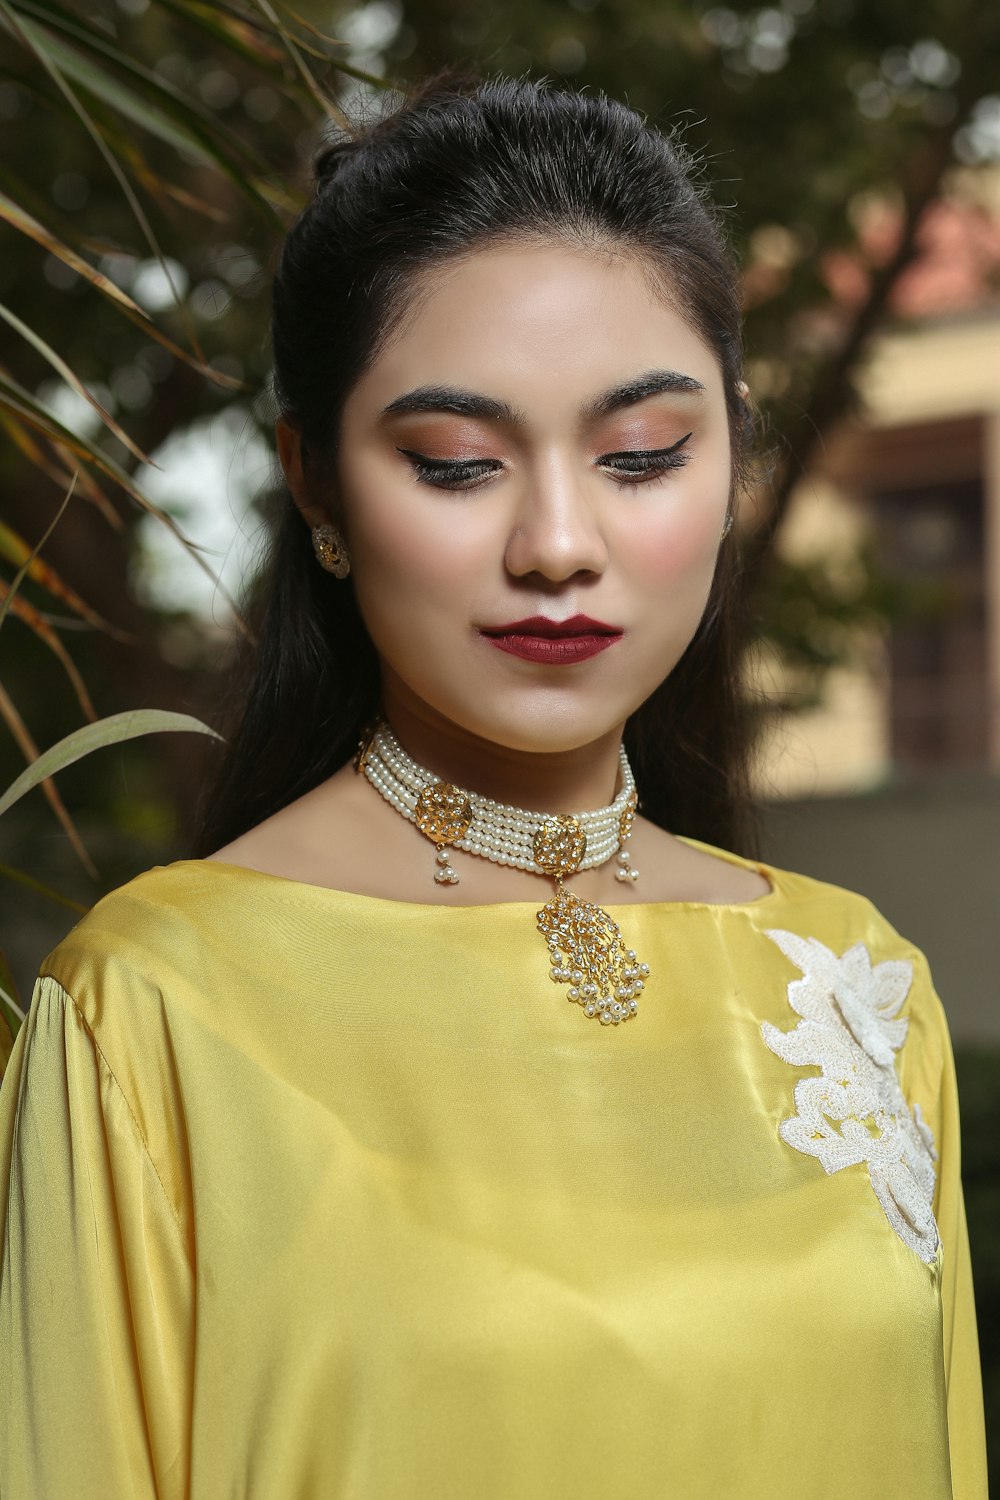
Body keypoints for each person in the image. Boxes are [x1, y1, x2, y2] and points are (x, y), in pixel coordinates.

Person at [0, 71, 987, 1500]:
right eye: (458, 465)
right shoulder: (154, 1011)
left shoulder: (855, 982)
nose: (560, 542)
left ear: (733, 457)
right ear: (320, 490)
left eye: (643, 455)